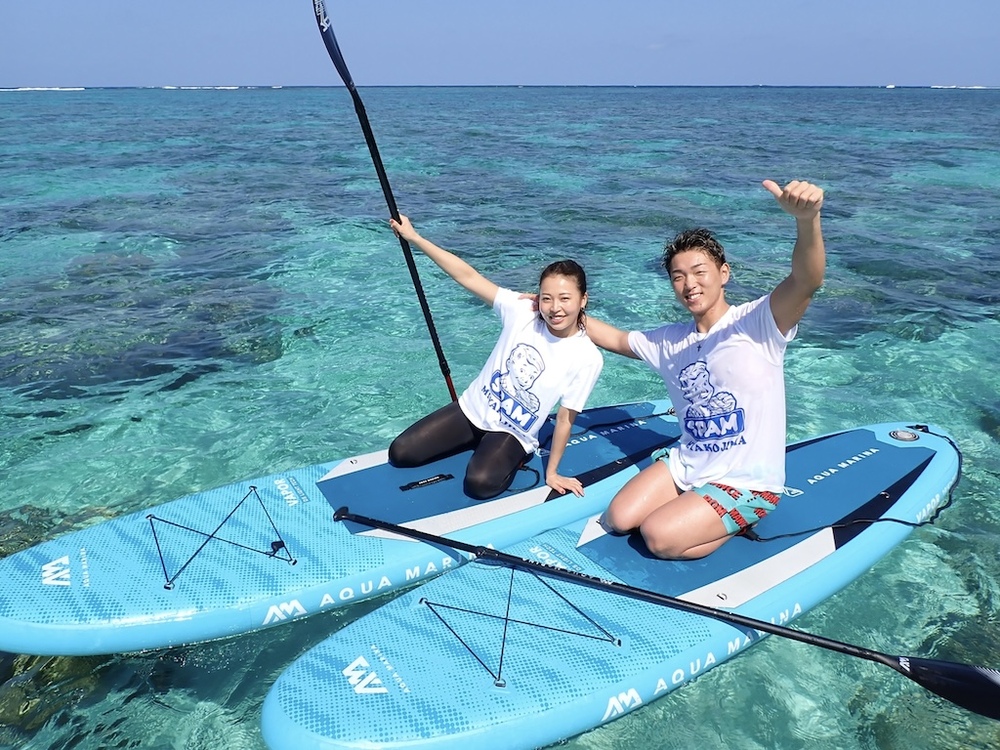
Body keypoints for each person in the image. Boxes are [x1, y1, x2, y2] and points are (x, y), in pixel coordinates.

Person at [585, 179, 825, 559]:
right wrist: (562, 311)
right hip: (689, 463)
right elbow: (616, 339)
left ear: (724, 273)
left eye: (699, 272)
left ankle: (740, 518)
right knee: (618, 518)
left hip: (746, 481)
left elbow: (807, 280)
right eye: (678, 276)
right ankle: (696, 504)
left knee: (657, 536)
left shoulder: (759, 322)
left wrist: (807, 220)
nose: (689, 284)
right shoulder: (671, 341)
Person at [386, 214, 604, 500]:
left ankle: (509, 454)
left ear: (583, 299)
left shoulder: (587, 357)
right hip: (472, 410)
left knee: (479, 484)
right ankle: (474, 442)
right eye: (547, 297)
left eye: (565, 298)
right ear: (537, 297)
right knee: (401, 452)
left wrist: (552, 472)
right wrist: (415, 238)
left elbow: (564, 419)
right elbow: (467, 276)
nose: (555, 308)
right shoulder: (522, 311)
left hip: (513, 433)